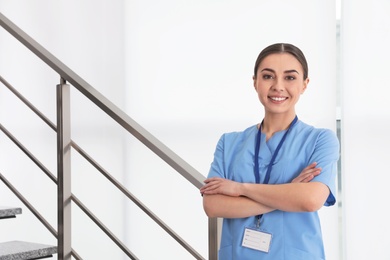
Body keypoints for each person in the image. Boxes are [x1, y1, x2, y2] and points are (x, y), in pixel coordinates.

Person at [200, 43, 339, 260]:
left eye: (290, 78)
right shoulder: (229, 143)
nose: (278, 86)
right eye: (268, 76)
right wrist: (289, 192)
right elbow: (213, 205)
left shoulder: (320, 140)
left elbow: (311, 199)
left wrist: (239, 188)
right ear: (255, 82)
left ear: (304, 84)